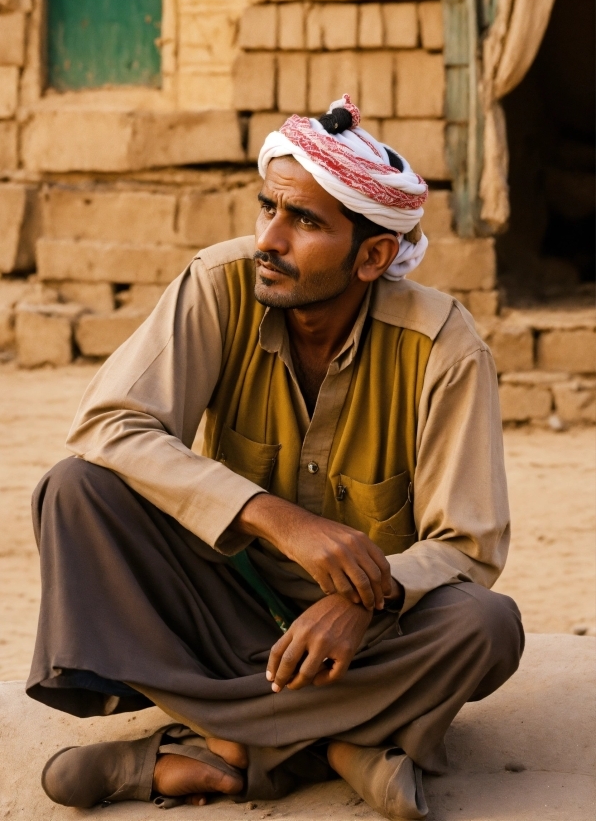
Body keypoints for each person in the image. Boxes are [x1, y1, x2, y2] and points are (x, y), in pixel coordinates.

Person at [29, 96, 523, 820]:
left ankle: (217, 745)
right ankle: (334, 745)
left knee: (487, 626)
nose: (270, 238)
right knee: (74, 492)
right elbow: (110, 423)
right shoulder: (220, 285)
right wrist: (272, 517)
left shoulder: (443, 348)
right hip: (220, 601)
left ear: (374, 255)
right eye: (268, 208)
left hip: (367, 638)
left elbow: (469, 546)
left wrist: (363, 600)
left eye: (305, 222)